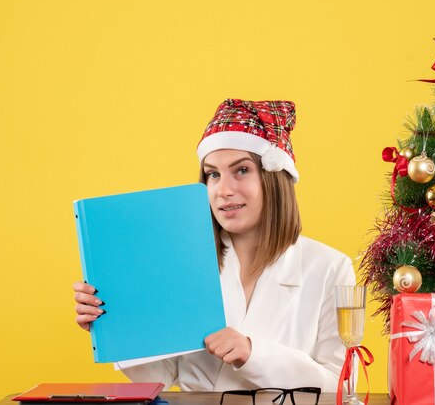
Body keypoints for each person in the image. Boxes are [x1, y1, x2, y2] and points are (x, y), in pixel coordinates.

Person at [73, 99, 356, 392]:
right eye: (213, 174)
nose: (224, 190)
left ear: (274, 176)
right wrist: (114, 326)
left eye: (242, 170)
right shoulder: (183, 261)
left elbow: (343, 387)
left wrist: (253, 353)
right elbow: (161, 375)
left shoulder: (329, 268)